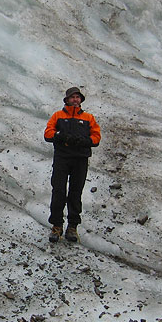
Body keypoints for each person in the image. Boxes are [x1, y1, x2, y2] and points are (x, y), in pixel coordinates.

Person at [43, 87, 101, 243]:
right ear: (67, 100)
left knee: (75, 193)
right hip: (62, 158)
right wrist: (60, 136)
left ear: (81, 100)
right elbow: (47, 134)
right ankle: (57, 226)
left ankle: (72, 227)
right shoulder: (58, 116)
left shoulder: (89, 118)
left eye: (78, 97)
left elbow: (96, 137)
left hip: (80, 160)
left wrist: (86, 141)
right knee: (59, 192)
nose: (75, 100)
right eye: (72, 97)